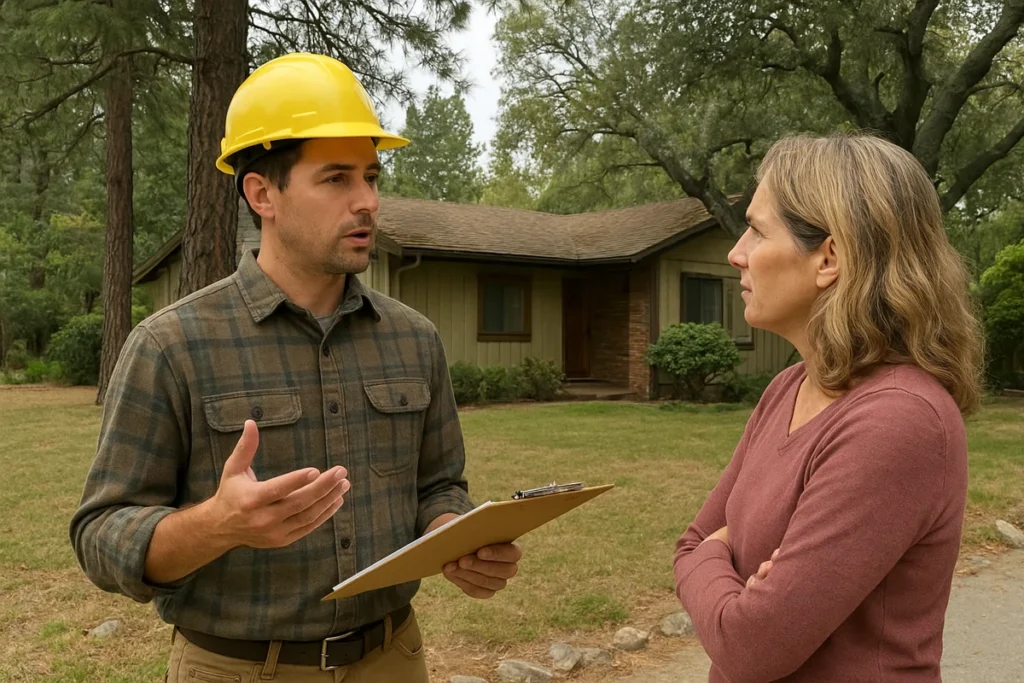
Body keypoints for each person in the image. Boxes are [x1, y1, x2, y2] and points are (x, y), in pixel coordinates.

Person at [70, 52, 521, 683]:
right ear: (262, 194)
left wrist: (455, 536)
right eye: (336, 179)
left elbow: (439, 485)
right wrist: (217, 525)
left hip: (393, 659)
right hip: (237, 669)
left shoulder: (414, 338)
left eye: (371, 176)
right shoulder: (171, 345)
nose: (367, 201)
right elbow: (100, 534)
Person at [673, 132, 985, 683]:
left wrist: (711, 560)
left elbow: (751, 647)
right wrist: (717, 560)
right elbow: (693, 540)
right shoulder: (789, 387)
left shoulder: (897, 420)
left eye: (757, 230)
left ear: (828, 258)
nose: (736, 253)